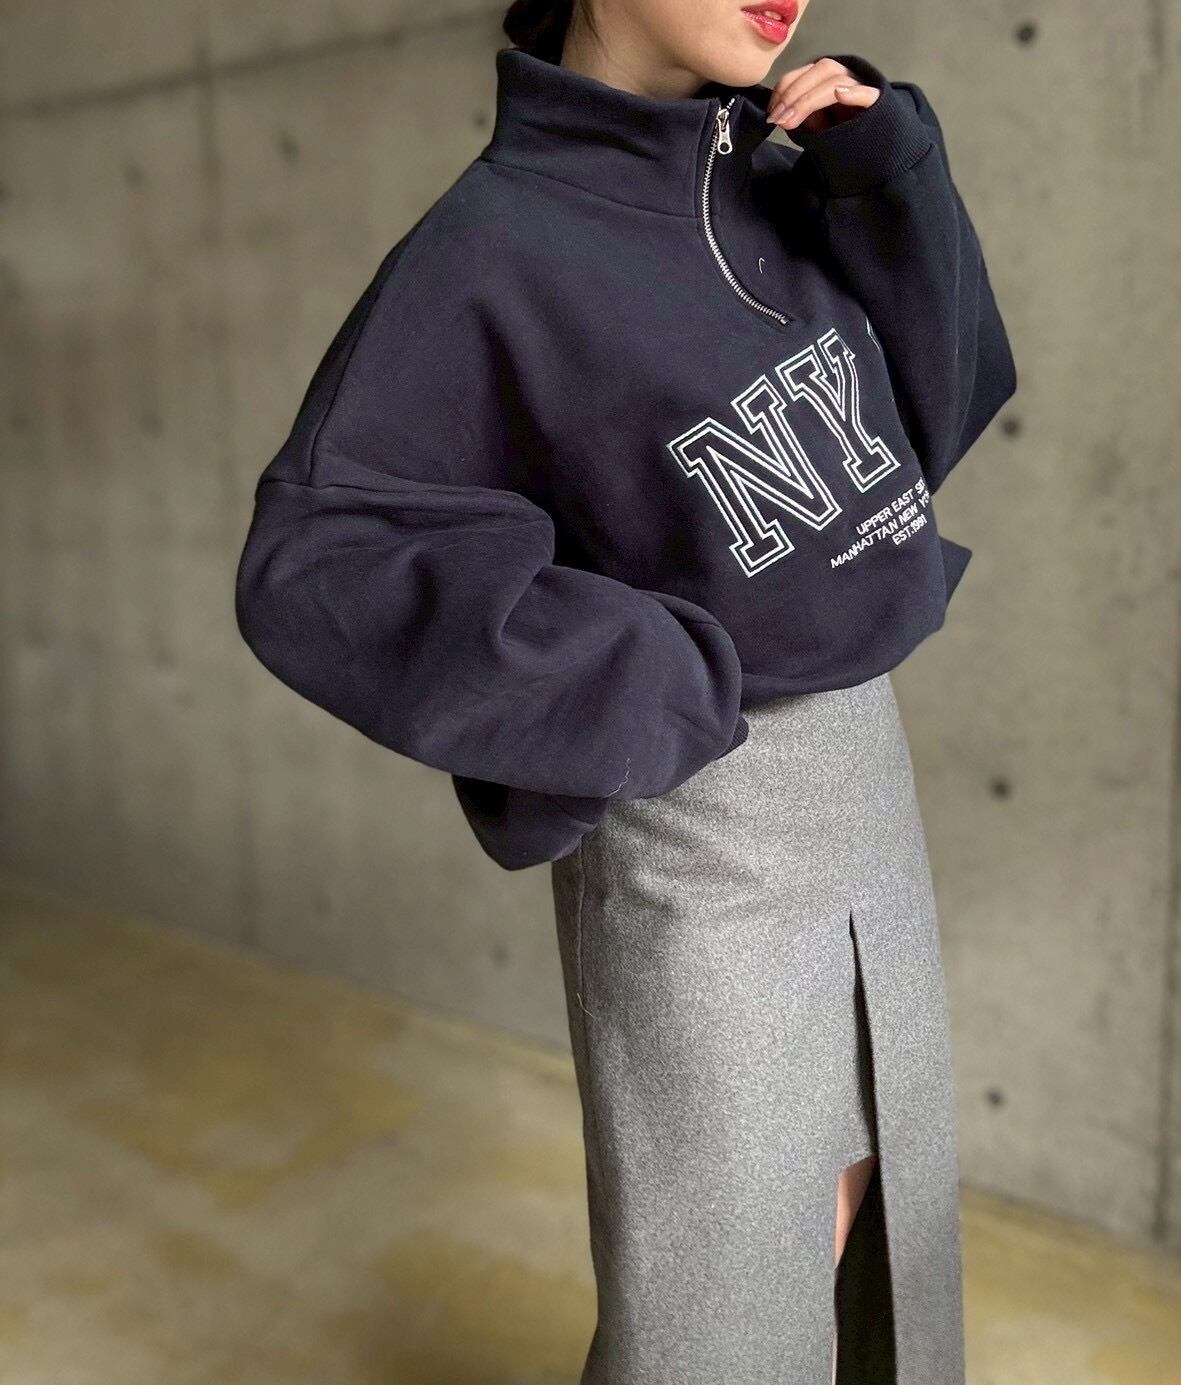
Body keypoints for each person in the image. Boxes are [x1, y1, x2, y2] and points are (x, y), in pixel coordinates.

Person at [234, 0, 1018, 1379]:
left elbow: (931, 421)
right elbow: (319, 556)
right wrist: (638, 673)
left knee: (858, 1231)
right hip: (702, 826)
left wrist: (884, 181)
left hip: (862, 784)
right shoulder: (492, 245)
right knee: (716, 1311)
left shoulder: (777, 178)